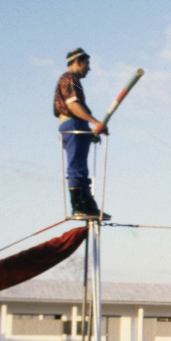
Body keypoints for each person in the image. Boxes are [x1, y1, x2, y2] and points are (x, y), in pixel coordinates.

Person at [54, 47, 110, 220]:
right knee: (76, 166)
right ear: (78, 62)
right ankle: (79, 205)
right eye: (87, 64)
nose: (89, 68)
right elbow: (73, 105)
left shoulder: (72, 80)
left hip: (78, 124)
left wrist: (90, 130)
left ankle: (87, 204)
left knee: (81, 167)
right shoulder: (68, 78)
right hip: (73, 123)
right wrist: (95, 123)